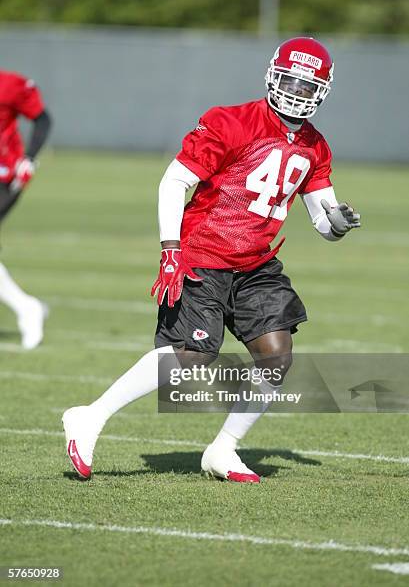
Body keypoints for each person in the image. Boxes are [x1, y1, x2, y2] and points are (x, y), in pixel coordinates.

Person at [63, 37, 360, 482]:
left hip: (256, 263)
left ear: (322, 90)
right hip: (204, 252)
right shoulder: (231, 121)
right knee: (189, 358)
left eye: (307, 86)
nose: (297, 93)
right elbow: (172, 181)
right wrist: (170, 250)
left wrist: (338, 222)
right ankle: (90, 415)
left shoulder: (315, 146)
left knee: (277, 357)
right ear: (272, 76)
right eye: (290, 82)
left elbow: (323, 222)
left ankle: (222, 450)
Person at [0, 70, 52, 350]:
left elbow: (42, 119)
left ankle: (26, 308)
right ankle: (26, 306)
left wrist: (29, 158)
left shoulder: (10, 85)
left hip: (4, 176)